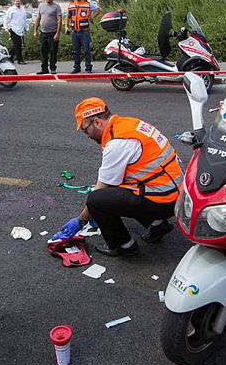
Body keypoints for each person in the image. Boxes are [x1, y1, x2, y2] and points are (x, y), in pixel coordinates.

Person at [63, 97, 183, 257]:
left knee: (95, 201)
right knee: (119, 189)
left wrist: (81, 220)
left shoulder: (117, 142)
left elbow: (104, 186)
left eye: (85, 130)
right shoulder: (128, 124)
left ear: (97, 122)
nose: (86, 135)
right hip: (175, 190)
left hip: (165, 200)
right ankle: (157, 225)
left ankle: (124, 246)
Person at [64, 0, 101, 73]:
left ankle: (88, 67)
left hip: (84, 31)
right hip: (75, 31)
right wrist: (66, 26)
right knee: (75, 51)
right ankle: (77, 68)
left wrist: (92, 17)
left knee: (86, 50)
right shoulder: (71, 5)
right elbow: (68, 17)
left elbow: (98, 9)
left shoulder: (87, 4)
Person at [33, 0, 62, 74]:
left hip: (52, 33)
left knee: (53, 51)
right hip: (43, 32)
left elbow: (59, 20)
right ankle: (44, 68)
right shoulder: (41, 6)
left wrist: (57, 33)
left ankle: (53, 68)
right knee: (43, 51)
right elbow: (38, 18)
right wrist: (35, 31)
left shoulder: (56, 7)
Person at [3, 0, 27, 64]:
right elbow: (6, 19)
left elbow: (24, 20)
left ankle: (9, 57)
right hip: (13, 29)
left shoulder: (23, 10)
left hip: (21, 30)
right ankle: (20, 60)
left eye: (19, 1)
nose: (18, 2)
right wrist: (5, 27)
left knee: (18, 45)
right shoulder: (11, 9)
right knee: (17, 45)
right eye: (16, 1)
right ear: (14, 2)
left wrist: (26, 28)